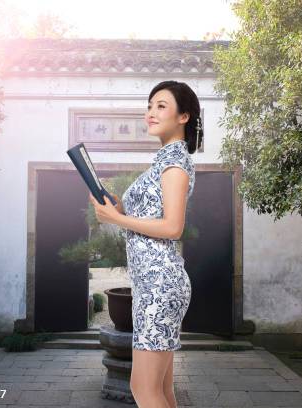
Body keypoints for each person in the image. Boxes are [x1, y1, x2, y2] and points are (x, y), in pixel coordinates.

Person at [89, 80, 202, 408]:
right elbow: (148, 216)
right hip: (153, 286)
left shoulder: (174, 164)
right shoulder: (162, 162)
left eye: (161, 106)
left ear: (184, 116)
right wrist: (115, 206)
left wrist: (117, 220)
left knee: (143, 388)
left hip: (160, 286)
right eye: (149, 105)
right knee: (162, 391)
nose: (151, 112)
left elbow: (172, 227)